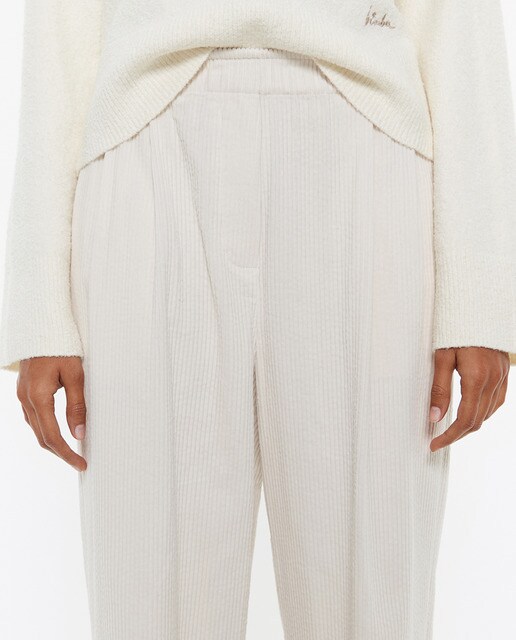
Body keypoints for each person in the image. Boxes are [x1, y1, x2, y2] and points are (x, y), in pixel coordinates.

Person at [1, 1, 515, 638]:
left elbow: (458, 19)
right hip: (146, 134)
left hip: (365, 130)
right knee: (147, 594)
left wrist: (480, 293)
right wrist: (40, 302)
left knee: (375, 593)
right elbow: (59, 24)